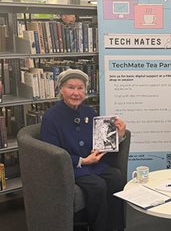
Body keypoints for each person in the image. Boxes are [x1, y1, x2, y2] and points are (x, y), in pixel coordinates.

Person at [40, 68, 127, 231]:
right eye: (70, 87)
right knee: (98, 185)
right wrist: (82, 161)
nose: (76, 93)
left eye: (80, 88)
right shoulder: (50, 117)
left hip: (93, 163)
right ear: (61, 90)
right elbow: (51, 153)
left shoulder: (90, 111)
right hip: (71, 166)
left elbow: (102, 142)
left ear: (85, 91)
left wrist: (119, 135)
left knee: (116, 177)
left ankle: (116, 227)